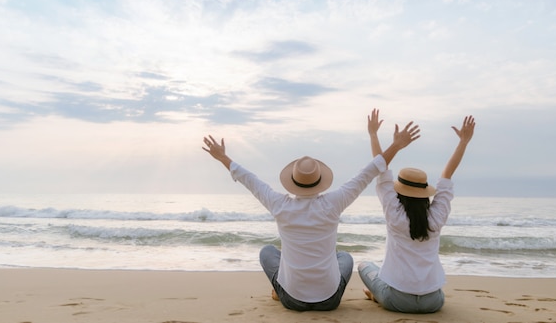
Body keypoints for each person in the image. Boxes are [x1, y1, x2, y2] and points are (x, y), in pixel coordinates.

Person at [201, 111, 420, 312]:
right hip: (329, 301)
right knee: (344, 257)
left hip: (291, 300)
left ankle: (279, 290)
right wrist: (395, 145)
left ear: (292, 182)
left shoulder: (279, 204)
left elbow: (250, 180)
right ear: (320, 181)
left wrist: (223, 158)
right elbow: (368, 172)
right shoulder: (334, 202)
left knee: (267, 252)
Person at [358, 114, 476, 314]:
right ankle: (379, 294)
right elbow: (447, 176)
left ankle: (378, 294)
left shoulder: (395, 216)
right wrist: (463, 142)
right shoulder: (436, 218)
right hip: (433, 302)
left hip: (397, 301)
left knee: (364, 266)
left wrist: (373, 134)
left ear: (399, 193)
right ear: (425, 194)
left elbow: (381, 170)